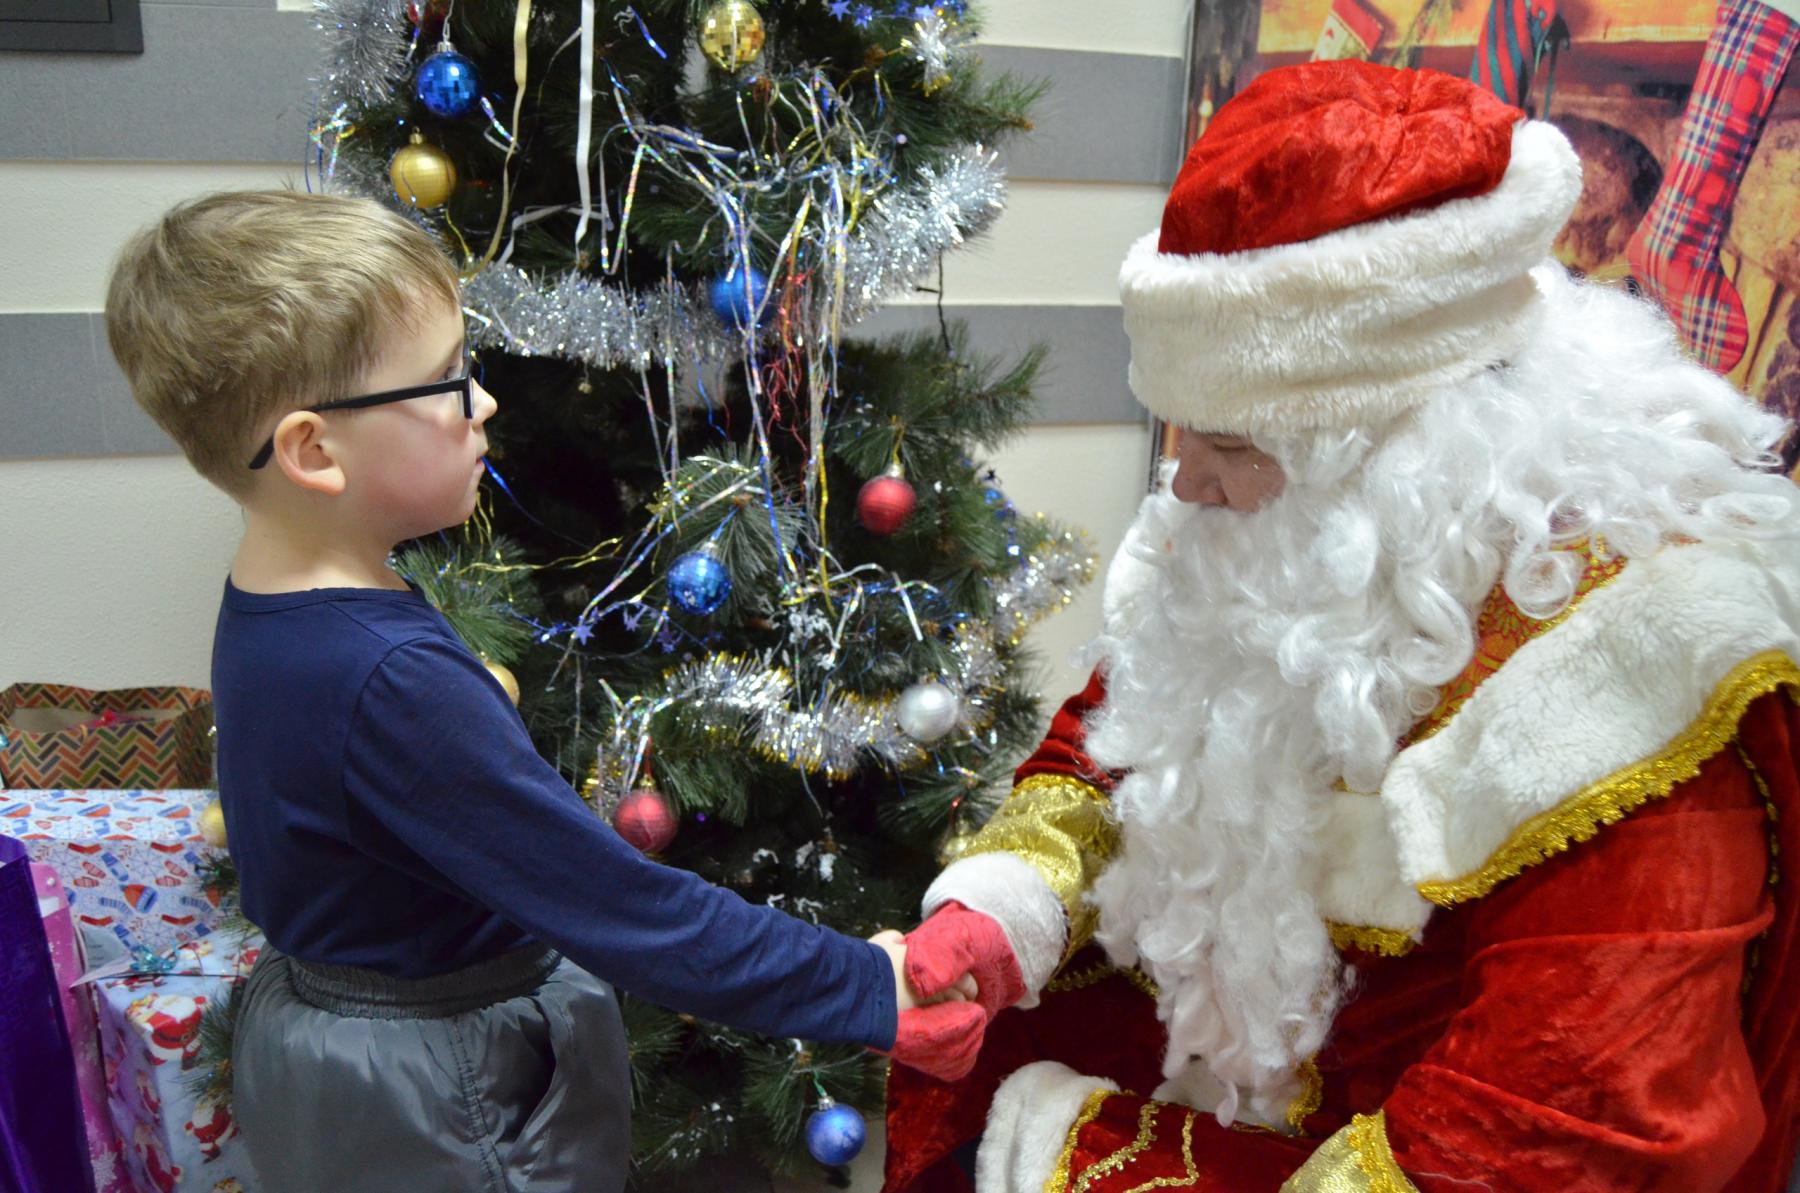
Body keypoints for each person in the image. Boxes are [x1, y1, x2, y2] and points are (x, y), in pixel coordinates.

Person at [882, 60, 1800, 1191]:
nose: (1185, 482)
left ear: (1408, 447)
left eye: (1230, 445)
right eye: (1178, 431)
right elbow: (1124, 736)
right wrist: (1009, 903)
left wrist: (1080, 1159)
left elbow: (1566, 1128)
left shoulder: (1629, 676)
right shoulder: (1280, 544)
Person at [103, 190, 985, 1193]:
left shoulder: (277, 595)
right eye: (446, 381)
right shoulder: (386, 677)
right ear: (313, 451)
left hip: (332, 1049)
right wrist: (861, 983)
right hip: (444, 1094)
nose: (481, 402)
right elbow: (620, 905)